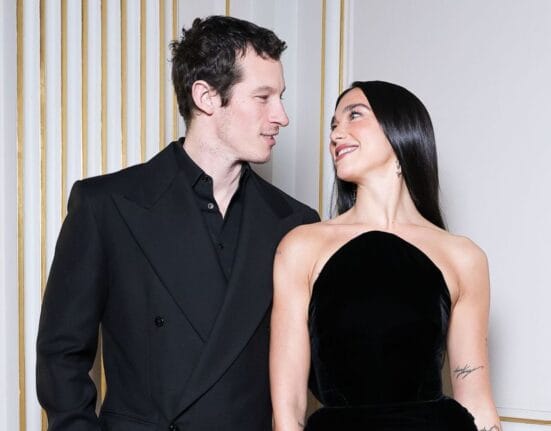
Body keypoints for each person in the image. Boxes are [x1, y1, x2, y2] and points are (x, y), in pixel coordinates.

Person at [36, 15, 319, 431]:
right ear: (206, 97)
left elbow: (314, 367)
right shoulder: (106, 206)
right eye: (263, 97)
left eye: (281, 97)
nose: (282, 116)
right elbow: (61, 355)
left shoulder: (295, 223)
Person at [270, 81, 501, 430]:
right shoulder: (301, 247)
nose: (336, 134)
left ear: (399, 130)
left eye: (354, 115)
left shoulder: (463, 256)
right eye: (333, 125)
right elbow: (288, 409)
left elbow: (477, 401)